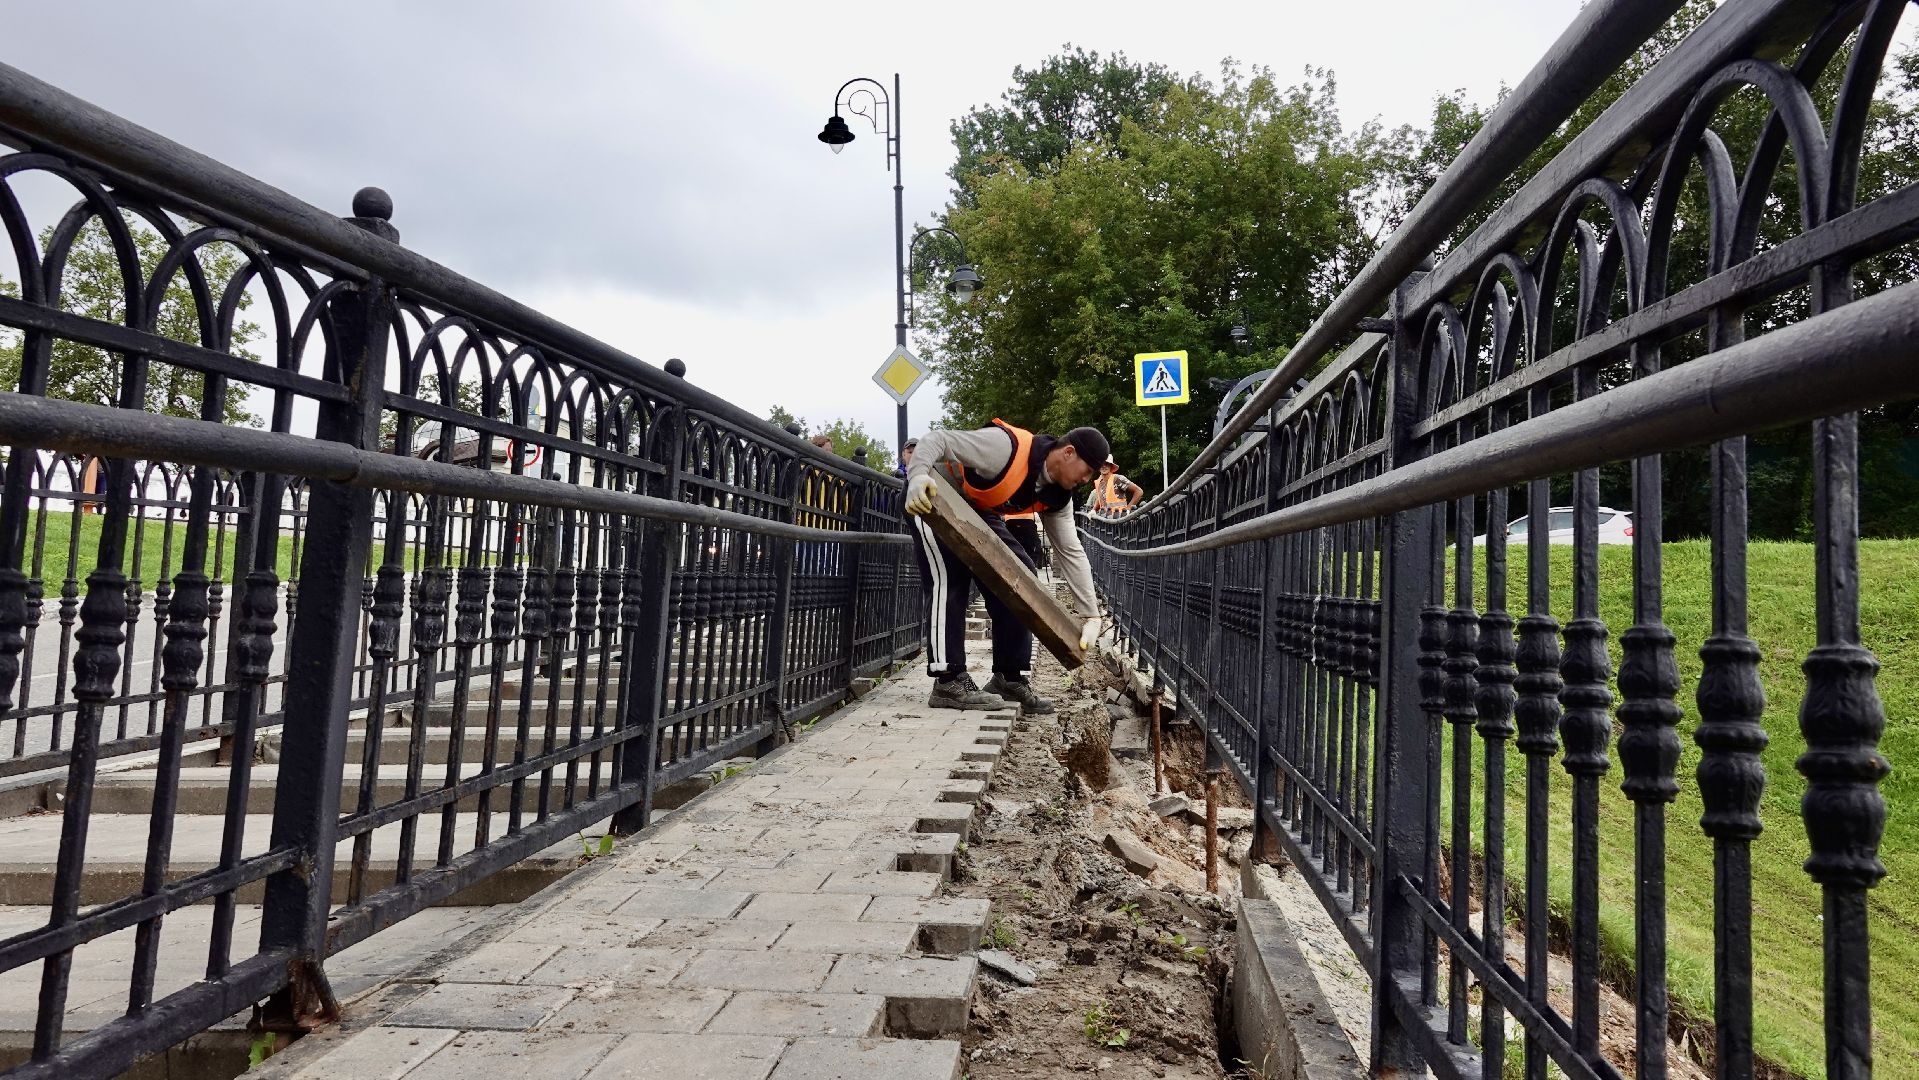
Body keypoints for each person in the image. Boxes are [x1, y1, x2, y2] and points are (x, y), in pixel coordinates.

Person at [903, 419, 1108, 713]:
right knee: (949, 580)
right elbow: (936, 439)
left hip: (977, 509)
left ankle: (1009, 678)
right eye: (1087, 470)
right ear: (1068, 453)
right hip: (931, 496)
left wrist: (1091, 615)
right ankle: (948, 681)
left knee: (1021, 577)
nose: (1087, 479)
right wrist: (918, 476)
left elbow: (1070, 551)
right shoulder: (1004, 448)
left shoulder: (1058, 497)